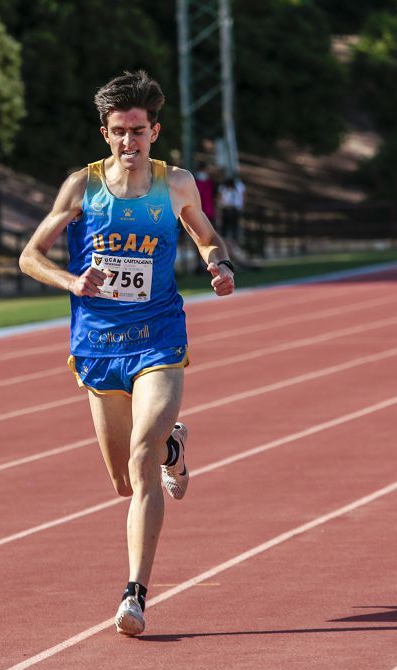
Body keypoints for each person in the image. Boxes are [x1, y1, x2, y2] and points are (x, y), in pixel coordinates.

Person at [18, 70, 236, 637]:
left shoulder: (177, 183)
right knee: (123, 479)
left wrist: (218, 264)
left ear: (154, 132)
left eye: (138, 131)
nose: (128, 142)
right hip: (96, 345)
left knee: (140, 457)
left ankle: (135, 593)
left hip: (158, 336)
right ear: (104, 133)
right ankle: (174, 451)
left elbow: (207, 235)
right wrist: (71, 282)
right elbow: (29, 255)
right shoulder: (82, 187)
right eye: (118, 131)